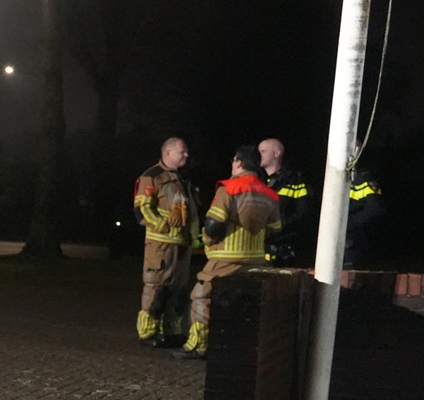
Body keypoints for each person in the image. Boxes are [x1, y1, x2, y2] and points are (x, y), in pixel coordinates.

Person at [180, 145, 282, 359]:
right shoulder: (270, 194)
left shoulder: (228, 188)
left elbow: (214, 225)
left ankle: (200, 344)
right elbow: (275, 230)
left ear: (238, 162)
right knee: (244, 303)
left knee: (201, 295)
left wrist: (207, 241)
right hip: (256, 261)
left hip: (225, 259)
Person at [132, 137, 197, 346]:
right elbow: (141, 210)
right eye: (182, 151)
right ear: (168, 152)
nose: (186, 155)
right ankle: (147, 332)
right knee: (156, 287)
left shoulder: (183, 178)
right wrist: (164, 225)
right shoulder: (152, 176)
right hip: (160, 244)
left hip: (182, 244)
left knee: (177, 289)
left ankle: (172, 331)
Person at [258, 137, 315, 267]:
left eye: (263, 151)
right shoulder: (257, 181)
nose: (259, 155)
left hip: (284, 249)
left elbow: (303, 212)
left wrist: (279, 226)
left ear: (277, 153)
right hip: (259, 248)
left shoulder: (294, 181)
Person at [344, 166, 385, 268]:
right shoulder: (332, 176)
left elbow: (375, 208)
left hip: (355, 237)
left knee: (349, 270)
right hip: (336, 236)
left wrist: (349, 222)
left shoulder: (363, 179)